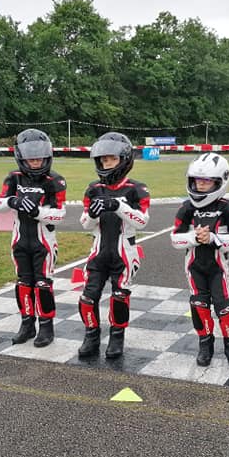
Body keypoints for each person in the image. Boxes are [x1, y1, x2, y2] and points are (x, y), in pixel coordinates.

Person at [77, 132, 150, 359]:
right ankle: (91, 335)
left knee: (119, 296)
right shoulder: (93, 189)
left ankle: (117, 338)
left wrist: (117, 206)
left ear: (124, 160)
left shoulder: (137, 189)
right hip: (98, 251)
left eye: (112, 159)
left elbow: (142, 221)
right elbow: (85, 225)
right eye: (103, 159)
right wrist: (92, 214)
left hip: (124, 252)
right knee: (88, 297)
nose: (107, 163)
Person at [0, 129, 67, 347]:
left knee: (43, 283)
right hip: (19, 240)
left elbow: (60, 215)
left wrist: (38, 212)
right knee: (23, 283)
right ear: (20, 156)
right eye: (30, 157)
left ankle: (46, 327)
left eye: (39, 157)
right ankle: (27, 324)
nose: (35, 161)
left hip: (44, 242)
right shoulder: (13, 177)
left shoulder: (55, 180)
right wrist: (13, 202)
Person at [170, 153, 229, 367]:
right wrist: (193, 237)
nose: (200, 185)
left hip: (218, 268)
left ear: (220, 182)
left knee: (224, 305)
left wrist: (213, 238)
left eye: (206, 181)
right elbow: (175, 238)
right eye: (197, 180)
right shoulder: (186, 208)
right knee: (198, 303)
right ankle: (205, 344)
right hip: (194, 267)